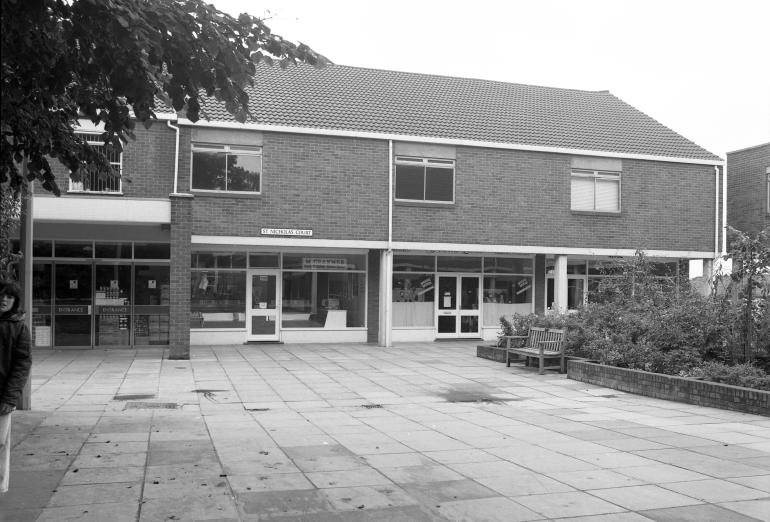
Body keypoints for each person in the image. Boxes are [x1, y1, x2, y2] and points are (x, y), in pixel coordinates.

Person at [0, 281, 32, 493]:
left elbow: (22, 364)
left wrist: (10, 398)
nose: (4, 300)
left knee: (1, 444)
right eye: (1, 295)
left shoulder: (18, 327)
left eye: (9, 297)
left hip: (2, 396)